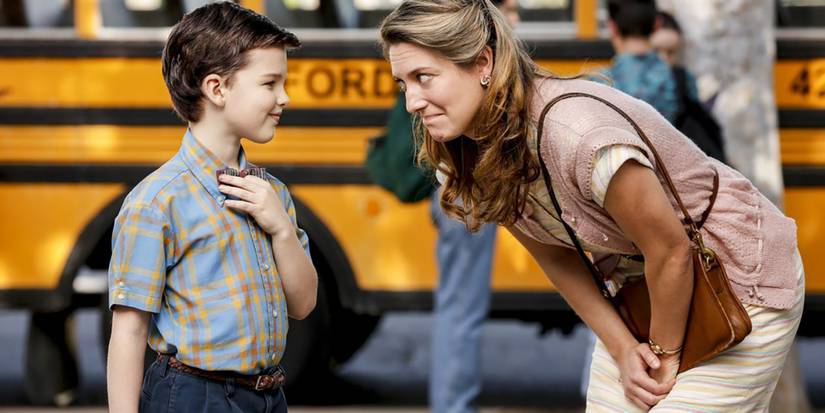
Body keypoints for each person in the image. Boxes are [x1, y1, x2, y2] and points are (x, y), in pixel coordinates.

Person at [379, 0, 804, 411]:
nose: (411, 102)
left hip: (736, 276)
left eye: (424, 77)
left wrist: (663, 355)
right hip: (647, 289)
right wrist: (622, 350)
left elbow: (670, 250)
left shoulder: (581, 138)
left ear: (483, 64)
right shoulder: (472, 150)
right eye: (403, 83)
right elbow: (557, 259)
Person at [106, 3, 318, 412]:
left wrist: (281, 229)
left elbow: (303, 304)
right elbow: (129, 332)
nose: (285, 97)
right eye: (270, 83)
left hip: (268, 396)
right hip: (192, 395)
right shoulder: (156, 202)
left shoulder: (271, 194)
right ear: (217, 89)